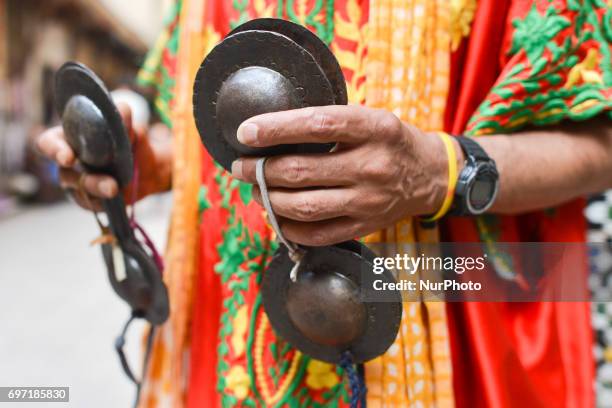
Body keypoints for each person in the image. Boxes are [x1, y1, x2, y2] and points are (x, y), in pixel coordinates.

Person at [37, 0, 611, 407]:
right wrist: (149, 161)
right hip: (221, 352)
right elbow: (181, 127)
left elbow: (600, 139)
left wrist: (438, 171)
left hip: (444, 318)